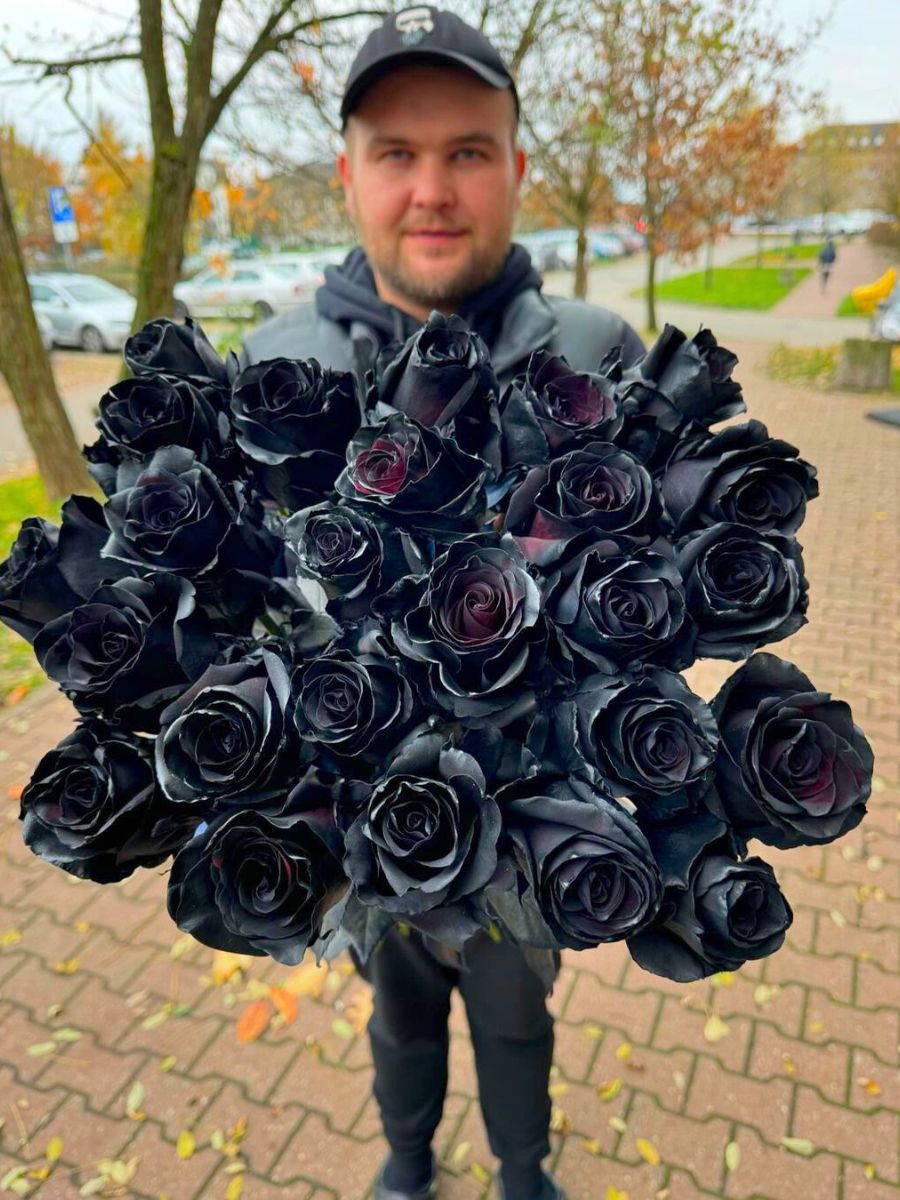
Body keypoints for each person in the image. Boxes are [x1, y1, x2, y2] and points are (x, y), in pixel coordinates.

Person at [243, 9, 645, 1200]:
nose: (433, 188)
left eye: (468, 150)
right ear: (347, 173)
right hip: (371, 843)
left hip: (536, 838)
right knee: (402, 1015)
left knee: (518, 1018)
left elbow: (656, 608)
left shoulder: (601, 353)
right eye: (398, 154)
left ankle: (525, 1173)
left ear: (518, 168)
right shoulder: (275, 372)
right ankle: (407, 1167)